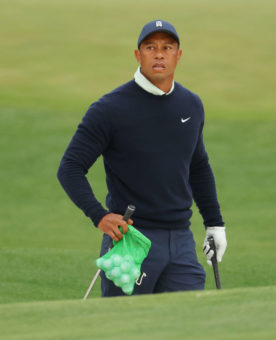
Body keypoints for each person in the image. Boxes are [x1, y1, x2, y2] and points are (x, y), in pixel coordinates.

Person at [57, 19, 227, 296]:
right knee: (123, 329)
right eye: (150, 47)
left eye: (167, 47)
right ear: (138, 55)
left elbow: (198, 167)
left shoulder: (191, 105)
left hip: (181, 241)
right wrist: (98, 215)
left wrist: (215, 224)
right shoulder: (109, 109)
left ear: (178, 55)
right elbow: (70, 168)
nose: (159, 54)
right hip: (132, 240)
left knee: (189, 325)